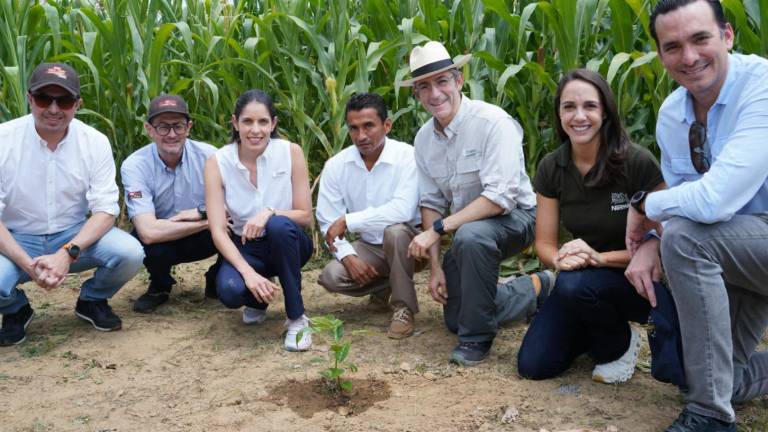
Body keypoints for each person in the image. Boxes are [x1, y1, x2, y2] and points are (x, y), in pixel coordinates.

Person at [626, 1, 768, 430]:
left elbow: (714, 202)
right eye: (673, 46)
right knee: (722, 377)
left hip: (739, 237)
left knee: (687, 238)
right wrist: (653, 239)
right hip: (741, 247)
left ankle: (709, 418)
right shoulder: (672, 115)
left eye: (700, 38)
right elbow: (687, 198)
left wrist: (643, 208)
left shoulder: (760, 85)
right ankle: (715, 396)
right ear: (660, 55)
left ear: (727, 36)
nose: (688, 57)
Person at [398, 41, 552, 366]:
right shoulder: (424, 139)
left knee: (471, 238)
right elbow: (431, 202)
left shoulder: (493, 123)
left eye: (442, 82)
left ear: (459, 81)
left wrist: (437, 231)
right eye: (424, 87)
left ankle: (476, 339)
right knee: (456, 317)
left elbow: (500, 198)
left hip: (519, 220)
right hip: (468, 229)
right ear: (416, 95)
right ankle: (539, 286)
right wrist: (436, 268)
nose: (434, 94)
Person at [516, 69, 664, 384]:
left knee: (573, 285)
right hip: (583, 280)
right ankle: (590, 327)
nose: (579, 116)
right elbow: (544, 242)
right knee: (534, 365)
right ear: (558, 113)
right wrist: (558, 260)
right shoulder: (551, 167)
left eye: (590, 107)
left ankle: (619, 345)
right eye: (569, 107)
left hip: (638, 281)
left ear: (605, 112)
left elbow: (666, 244)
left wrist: (599, 258)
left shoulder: (637, 163)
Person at [0, 63, 144, 345]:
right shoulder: (3, 140)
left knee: (130, 253)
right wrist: (28, 265)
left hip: (73, 235)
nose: (53, 109)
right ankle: (14, 309)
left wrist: (66, 254)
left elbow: (105, 210)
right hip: (17, 237)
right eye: (44, 99)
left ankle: (92, 300)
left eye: (64, 100)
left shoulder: (94, 142)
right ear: (30, 98)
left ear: (77, 104)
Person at [204, 89, 314, 351]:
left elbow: (305, 216)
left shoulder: (291, 152)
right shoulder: (217, 162)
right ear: (235, 123)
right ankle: (257, 298)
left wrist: (269, 212)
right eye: (247, 122)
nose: (255, 130)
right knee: (230, 291)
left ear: (273, 124)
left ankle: (297, 318)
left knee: (277, 225)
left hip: (290, 241)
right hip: (247, 246)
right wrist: (248, 273)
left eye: (263, 122)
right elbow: (218, 230)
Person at [316, 93, 421, 339]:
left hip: (411, 243)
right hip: (369, 245)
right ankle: (386, 284)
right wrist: (348, 256)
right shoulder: (336, 166)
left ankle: (403, 307)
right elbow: (327, 222)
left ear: (387, 125)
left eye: (368, 126)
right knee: (331, 276)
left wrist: (348, 221)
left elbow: (402, 210)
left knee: (394, 232)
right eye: (354, 128)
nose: (361, 136)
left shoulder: (407, 157)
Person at [121, 95, 221, 313]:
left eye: (178, 126)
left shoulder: (211, 156)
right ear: (149, 129)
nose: (172, 134)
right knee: (141, 243)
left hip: (205, 235)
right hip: (164, 235)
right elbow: (148, 231)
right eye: (163, 127)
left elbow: (236, 205)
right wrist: (208, 222)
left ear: (189, 127)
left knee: (236, 228)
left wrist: (200, 213)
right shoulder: (135, 166)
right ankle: (160, 285)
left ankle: (217, 278)